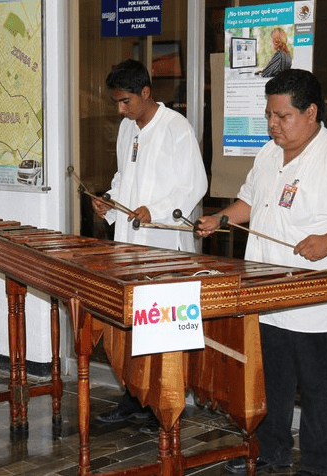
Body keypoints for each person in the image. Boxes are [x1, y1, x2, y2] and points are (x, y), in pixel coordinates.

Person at [196, 69, 327, 476]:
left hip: (318, 299)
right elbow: (251, 202)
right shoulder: (269, 154)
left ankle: (321, 465)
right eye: (269, 115)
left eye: (282, 116)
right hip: (268, 291)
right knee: (271, 379)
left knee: (318, 386)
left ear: (311, 112)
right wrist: (220, 218)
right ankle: (271, 452)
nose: (273, 125)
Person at [91, 59, 208, 434]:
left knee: (164, 328)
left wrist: (153, 209)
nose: (120, 109)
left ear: (146, 93)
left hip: (164, 245)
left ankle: (165, 408)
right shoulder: (128, 129)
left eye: (125, 101)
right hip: (130, 243)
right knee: (133, 326)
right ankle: (135, 398)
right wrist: (110, 200)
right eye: (116, 102)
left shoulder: (176, 128)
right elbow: (124, 176)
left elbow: (194, 185)